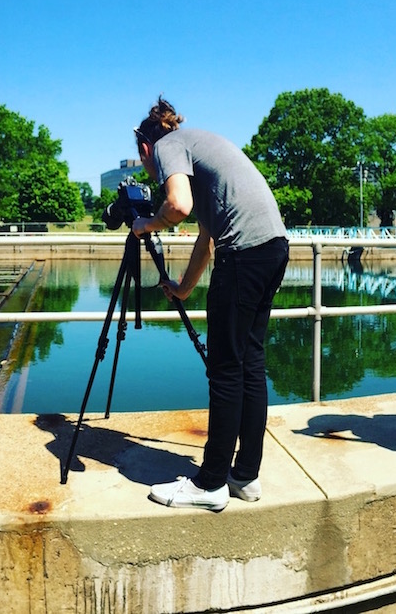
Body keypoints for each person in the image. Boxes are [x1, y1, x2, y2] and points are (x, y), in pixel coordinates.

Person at [131, 97, 288, 511]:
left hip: (244, 254)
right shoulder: (201, 146)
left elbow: (177, 207)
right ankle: (245, 476)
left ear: (144, 147)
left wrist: (145, 224)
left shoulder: (167, 146)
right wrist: (183, 288)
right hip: (273, 248)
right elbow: (206, 235)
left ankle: (211, 483)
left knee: (224, 369)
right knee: (250, 364)